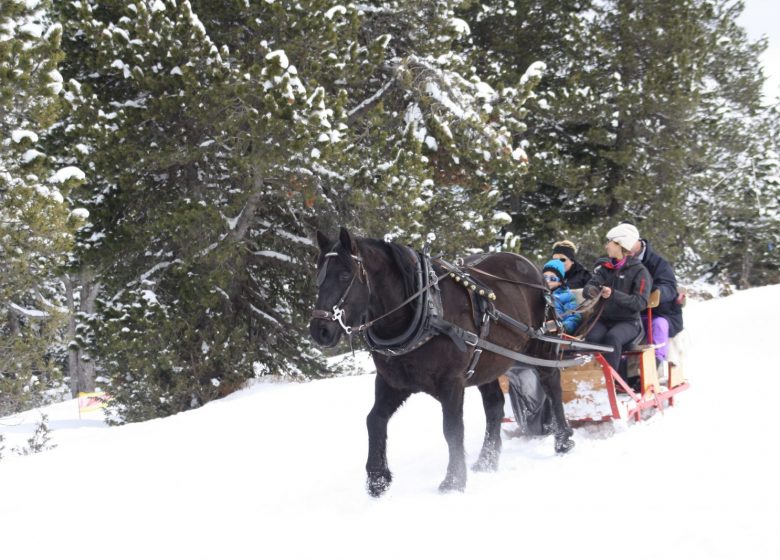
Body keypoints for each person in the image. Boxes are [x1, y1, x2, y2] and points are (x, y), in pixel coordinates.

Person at [583, 223, 652, 379]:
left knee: (613, 338)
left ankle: (610, 381)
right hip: (603, 319)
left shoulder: (640, 271)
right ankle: (590, 380)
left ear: (620, 245)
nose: (606, 246)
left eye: (610, 242)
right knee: (592, 337)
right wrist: (593, 291)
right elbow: (590, 287)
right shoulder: (605, 268)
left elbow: (640, 302)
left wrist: (614, 294)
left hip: (629, 323)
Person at [630, 235, 684, 366]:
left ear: (638, 241)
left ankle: (656, 362)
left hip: (660, 312)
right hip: (631, 312)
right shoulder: (619, 260)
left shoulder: (657, 262)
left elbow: (669, 287)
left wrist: (651, 292)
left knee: (659, 325)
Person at [542, 259, 582, 334]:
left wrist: (561, 327)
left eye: (552, 278)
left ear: (560, 282)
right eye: (545, 277)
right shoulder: (537, 292)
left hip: (553, 332)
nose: (547, 281)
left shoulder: (567, 296)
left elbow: (575, 317)